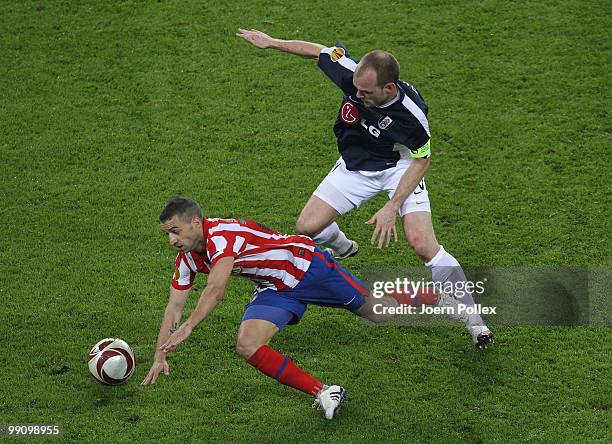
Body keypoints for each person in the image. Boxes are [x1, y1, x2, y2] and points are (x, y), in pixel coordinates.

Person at [236, 29, 493, 349]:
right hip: (355, 167)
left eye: (366, 93)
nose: (357, 97)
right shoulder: (356, 78)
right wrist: (273, 43)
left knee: (422, 243)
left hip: (397, 168)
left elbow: (420, 162)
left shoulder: (412, 115)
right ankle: (343, 247)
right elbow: (318, 50)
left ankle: (473, 320)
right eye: (355, 89)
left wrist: (390, 207)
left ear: (388, 88)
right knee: (307, 226)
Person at [143, 197, 455, 419]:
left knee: (379, 312)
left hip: (309, 268)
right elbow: (174, 306)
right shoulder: (187, 258)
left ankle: (438, 294)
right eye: (168, 234)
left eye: (175, 231)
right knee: (247, 345)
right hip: (276, 288)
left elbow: (217, 289)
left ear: (196, 222)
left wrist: (191, 326)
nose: (172, 240)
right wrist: (160, 354)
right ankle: (324, 392)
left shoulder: (222, 236)